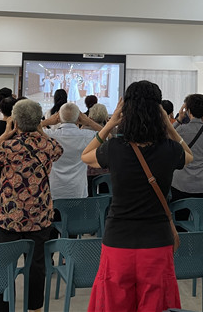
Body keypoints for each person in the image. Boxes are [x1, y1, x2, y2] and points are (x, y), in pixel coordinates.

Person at [81, 80, 193, 312]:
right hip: (157, 242)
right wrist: (170, 125)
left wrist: (110, 123)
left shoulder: (114, 148)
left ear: (126, 110)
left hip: (118, 241)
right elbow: (189, 155)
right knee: (157, 306)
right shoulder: (170, 149)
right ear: (159, 112)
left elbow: (86, 155)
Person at [0, 99, 63, 312]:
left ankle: (3, 307)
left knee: (4, 264)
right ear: (38, 121)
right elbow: (58, 149)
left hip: (9, 214)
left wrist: (4, 134)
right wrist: (41, 130)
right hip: (39, 214)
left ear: (15, 122)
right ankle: (35, 307)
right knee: (37, 265)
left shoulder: (7, 146)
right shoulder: (48, 145)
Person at [170, 94, 203, 221]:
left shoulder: (181, 130)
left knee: (181, 220)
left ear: (188, 111)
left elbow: (167, 134)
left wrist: (179, 119)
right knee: (200, 221)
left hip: (181, 182)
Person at [43, 102, 103, 199]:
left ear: (59, 117)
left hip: (55, 189)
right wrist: (89, 122)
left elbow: (27, 130)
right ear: (79, 118)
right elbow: (108, 136)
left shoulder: (50, 135)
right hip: (78, 190)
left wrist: (47, 121)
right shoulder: (87, 135)